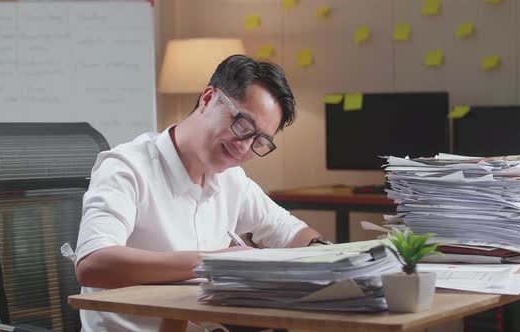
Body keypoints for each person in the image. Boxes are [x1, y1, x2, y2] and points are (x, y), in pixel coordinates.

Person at [73, 54, 329, 331]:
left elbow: (289, 231)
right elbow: (92, 263)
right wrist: (213, 262)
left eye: (260, 140)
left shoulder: (232, 180)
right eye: (243, 125)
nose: (244, 147)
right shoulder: (127, 167)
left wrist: (330, 257)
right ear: (208, 98)